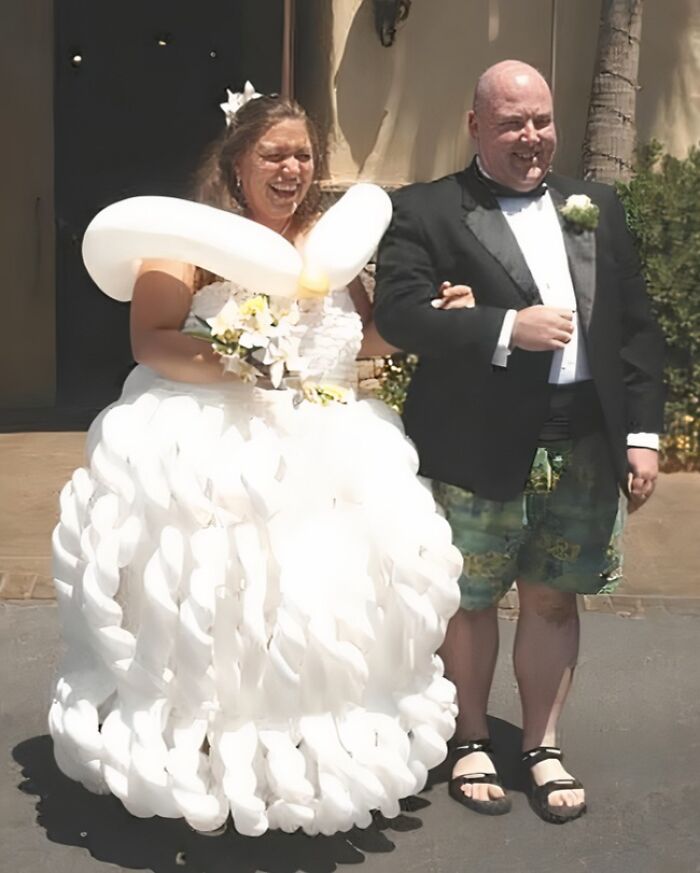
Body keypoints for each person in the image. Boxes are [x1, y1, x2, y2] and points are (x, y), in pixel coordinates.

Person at [49, 89, 474, 837]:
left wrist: (430, 322)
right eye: (274, 154)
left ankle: (307, 757)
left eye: (303, 155)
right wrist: (240, 360)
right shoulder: (184, 238)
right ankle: (205, 753)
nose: (291, 169)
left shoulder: (329, 246)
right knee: (218, 601)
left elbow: (361, 338)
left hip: (330, 447)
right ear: (236, 162)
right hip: (213, 447)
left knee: (319, 604)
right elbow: (152, 339)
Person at [373, 60, 665, 824]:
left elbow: (633, 328)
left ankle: (542, 745)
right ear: (476, 126)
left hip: (584, 443)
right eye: (512, 123)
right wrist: (504, 327)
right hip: (474, 444)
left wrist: (642, 435)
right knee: (469, 601)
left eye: (541, 120)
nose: (531, 136)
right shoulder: (427, 209)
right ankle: (471, 738)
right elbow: (398, 315)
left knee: (555, 599)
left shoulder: (592, 205)